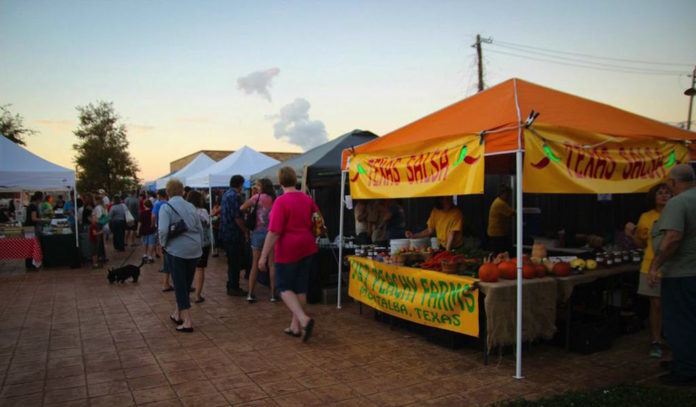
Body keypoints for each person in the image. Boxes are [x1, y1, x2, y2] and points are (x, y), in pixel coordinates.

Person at [648, 164, 696, 385]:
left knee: (680, 321)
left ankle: (685, 371)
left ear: (674, 183)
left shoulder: (678, 202)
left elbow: (673, 238)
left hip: (681, 273)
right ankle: (685, 361)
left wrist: (655, 264)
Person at [259, 166, 316, 342]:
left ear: (280, 182)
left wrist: (263, 256)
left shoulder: (281, 202)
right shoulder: (307, 199)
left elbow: (274, 231)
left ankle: (303, 319)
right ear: (295, 180)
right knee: (300, 286)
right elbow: (316, 220)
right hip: (307, 245)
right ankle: (295, 326)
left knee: (283, 286)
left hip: (288, 248)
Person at [625, 183, 672, 358]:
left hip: (674, 266)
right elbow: (641, 243)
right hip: (651, 266)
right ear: (653, 197)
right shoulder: (646, 217)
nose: (664, 195)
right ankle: (656, 340)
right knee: (656, 304)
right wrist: (632, 234)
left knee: (674, 305)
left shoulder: (677, 213)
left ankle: (673, 337)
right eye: (660, 193)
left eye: (668, 192)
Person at [158, 178, 203, 333]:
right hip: (194, 250)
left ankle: (187, 320)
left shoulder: (166, 208)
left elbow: (163, 231)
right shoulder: (191, 206)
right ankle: (177, 313)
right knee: (185, 283)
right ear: (182, 191)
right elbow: (200, 228)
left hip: (176, 251)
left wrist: (162, 244)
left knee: (179, 285)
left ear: (168, 192)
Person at [241, 178, 277, 303]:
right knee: (272, 264)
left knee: (255, 264)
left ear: (262, 186)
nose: (256, 187)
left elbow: (242, 207)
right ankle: (273, 295)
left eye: (258, 185)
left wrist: (250, 211)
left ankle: (250, 293)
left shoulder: (256, 197)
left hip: (257, 232)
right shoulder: (274, 198)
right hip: (271, 233)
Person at [219, 175, 249, 297]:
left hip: (226, 232)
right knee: (235, 261)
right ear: (240, 184)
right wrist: (245, 231)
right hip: (233, 233)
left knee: (232, 261)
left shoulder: (226, 194)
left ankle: (231, 284)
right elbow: (237, 217)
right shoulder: (234, 197)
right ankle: (234, 287)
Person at [187, 190, 210, 304]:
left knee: (188, 268)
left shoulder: (186, 212)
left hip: (189, 243)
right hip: (202, 244)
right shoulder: (203, 211)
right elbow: (208, 223)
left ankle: (186, 293)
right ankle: (197, 295)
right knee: (200, 269)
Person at [153, 190, 173, 291]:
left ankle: (166, 281)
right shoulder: (170, 204)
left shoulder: (157, 204)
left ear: (160, 196)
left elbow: (153, 216)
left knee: (162, 250)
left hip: (161, 229)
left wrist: (152, 224)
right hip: (173, 232)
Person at [24, 192, 49, 269]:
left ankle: (31, 264)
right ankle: (32, 264)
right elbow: (33, 218)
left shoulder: (32, 205)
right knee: (33, 246)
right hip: (31, 228)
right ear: (39, 198)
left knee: (29, 246)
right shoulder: (33, 206)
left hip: (29, 228)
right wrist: (43, 220)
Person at [487, 184, 515, 255]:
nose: (508, 197)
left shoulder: (497, 201)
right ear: (503, 194)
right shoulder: (500, 203)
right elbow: (511, 213)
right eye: (508, 195)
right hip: (497, 233)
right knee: (502, 252)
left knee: (499, 251)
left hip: (497, 232)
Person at [137, 199, 156, 263]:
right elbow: (154, 220)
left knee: (145, 242)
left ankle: (145, 255)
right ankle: (150, 256)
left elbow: (140, 222)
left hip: (144, 230)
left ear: (144, 205)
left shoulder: (142, 212)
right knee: (151, 243)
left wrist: (138, 230)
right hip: (151, 229)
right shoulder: (152, 212)